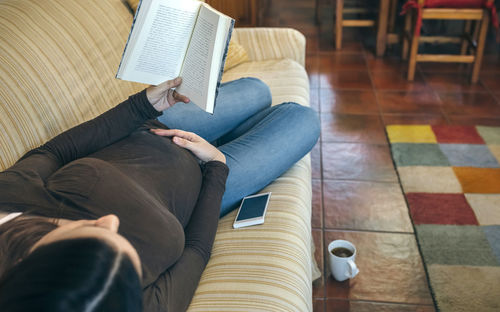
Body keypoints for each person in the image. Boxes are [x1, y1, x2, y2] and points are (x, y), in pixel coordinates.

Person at [0, 76, 320, 311]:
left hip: (150, 132)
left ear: (37, 261)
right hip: (205, 184)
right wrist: (216, 166)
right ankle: (227, 144)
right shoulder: (133, 303)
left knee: (257, 90)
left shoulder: (9, 207)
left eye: (89, 234)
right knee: (301, 119)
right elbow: (195, 251)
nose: (110, 221)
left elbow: (54, 152)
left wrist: (141, 106)